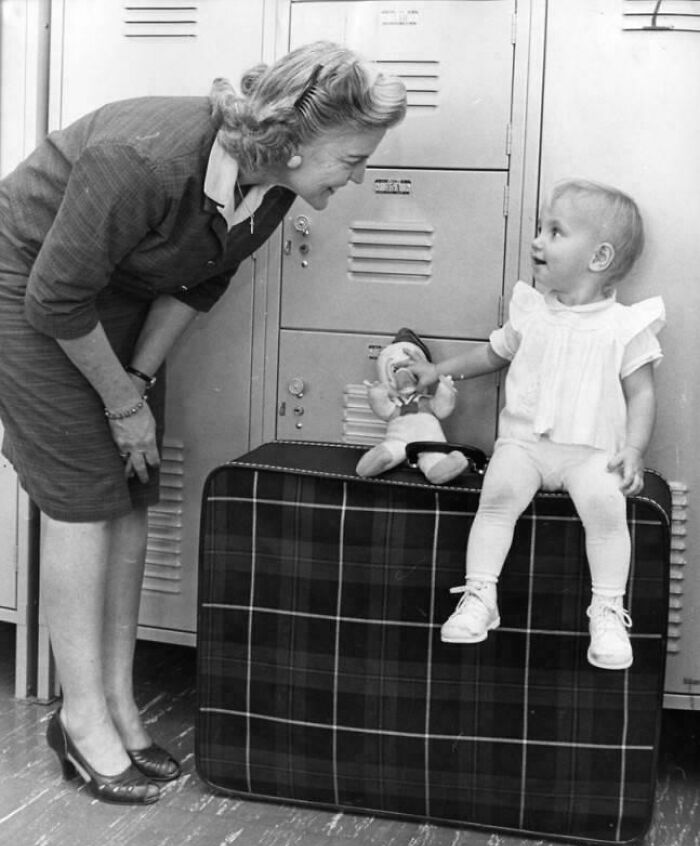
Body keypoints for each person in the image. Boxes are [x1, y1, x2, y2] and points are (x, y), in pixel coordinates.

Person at [0, 41, 406, 804]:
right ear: (293, 141)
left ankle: (118, 704)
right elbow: (53, 298)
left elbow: (199, 282)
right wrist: (120, 404)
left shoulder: (276, 187)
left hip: (108, 292)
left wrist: (140, 383)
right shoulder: (142, 160)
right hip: (28, 288)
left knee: (132, 484)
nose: (356, 177)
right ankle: (79, 716)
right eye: (351, 159)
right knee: (84, 499)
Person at [405, 179, 664, 670]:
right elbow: (490, 353)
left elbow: (642, 393)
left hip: (590, 451)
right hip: (524, 444)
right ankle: (481, 595)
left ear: (600, 256)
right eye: (540, 228)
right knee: (497, 498)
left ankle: (608, 610)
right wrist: (437, 371)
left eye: (555, 231)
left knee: (607, 512)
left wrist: (633, 449)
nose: (537, 241)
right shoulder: (532, 312)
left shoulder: (624, 326)